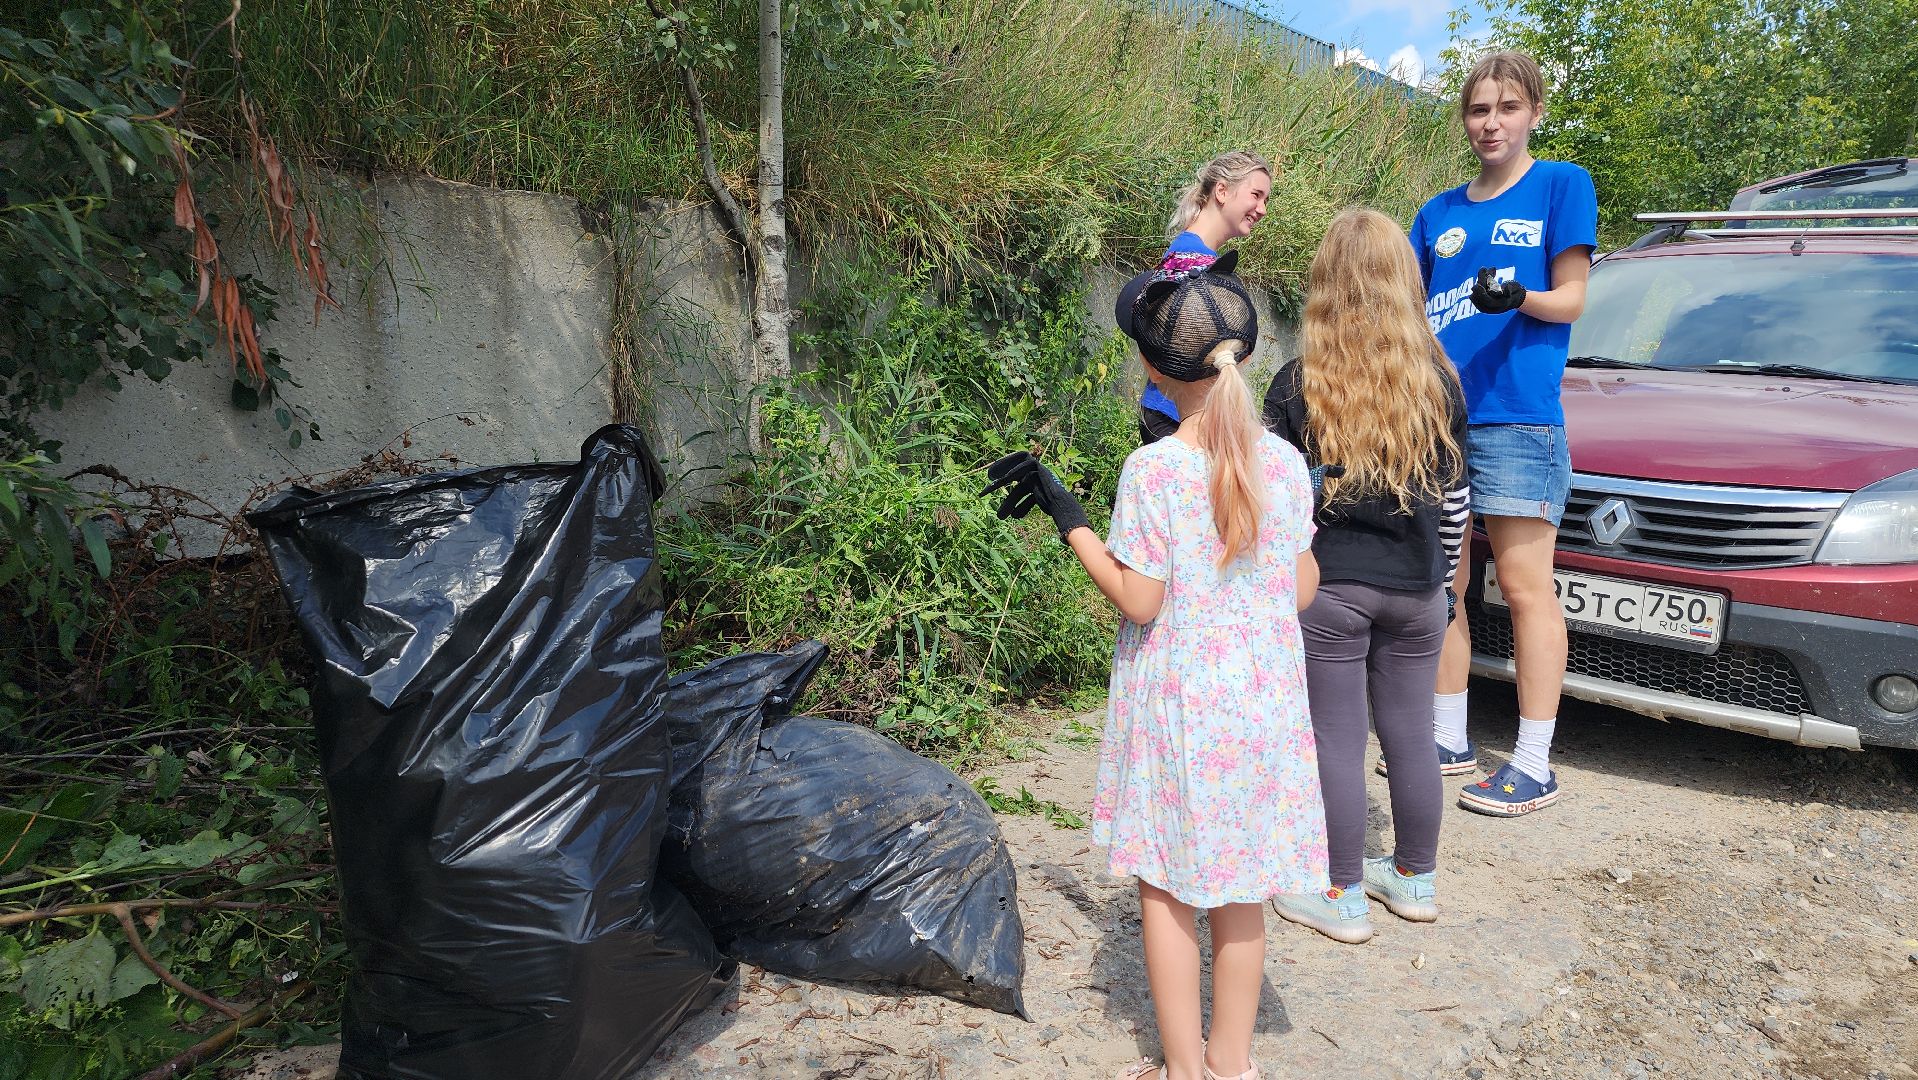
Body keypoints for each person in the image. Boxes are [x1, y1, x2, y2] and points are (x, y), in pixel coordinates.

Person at [984, 258, 1324, 1080]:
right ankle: (1231, 1064)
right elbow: (1302, 587)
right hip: (1263, 700)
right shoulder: (1281, 463)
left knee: (1168, 888)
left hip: (1182, 704)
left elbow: (1140, 601)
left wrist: (1071, 521)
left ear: (1151, 367)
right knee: (1243, 893)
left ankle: (1181, 1069)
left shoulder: (1155, 469)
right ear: (1244, 354)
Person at [1261, 209, 1470, 943]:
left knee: (1335, 741)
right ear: (1404, 282)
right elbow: (1456, 499)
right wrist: (1445, 583)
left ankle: (1339, 891)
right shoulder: (1438, 381)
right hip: (1418, 588)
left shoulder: (1297, 384)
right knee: (1413, 738)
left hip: (1332, 591)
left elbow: (1276, 500)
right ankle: (1414, 881)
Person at [1410, 50, 1597, 817]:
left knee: (1524, 590)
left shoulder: (1562, 184)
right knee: (1442, 587)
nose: (1491, 123)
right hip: (1440, 423)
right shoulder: (1437, 213)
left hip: (1519, 418)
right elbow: (1413, 317)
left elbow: (1575, 299)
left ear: (1534, 114)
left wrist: (1520, 294)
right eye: (1479, 109)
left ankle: (1533, 762)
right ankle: (1447, 740)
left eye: (1507, 108)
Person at [1120, 151, 1273, 444]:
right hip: (1177, 416)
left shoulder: (1193, 252)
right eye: (1256, 195)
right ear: (1222, 191)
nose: (1262, 208)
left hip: (1174, 412)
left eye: (1265, 199)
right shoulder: (1192, 260)